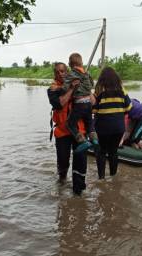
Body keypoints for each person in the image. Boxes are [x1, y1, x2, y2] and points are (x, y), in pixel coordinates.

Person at [47, 62, 87, 195]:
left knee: (80, 160)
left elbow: (92, 102)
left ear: (67, 72)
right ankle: (62, 182)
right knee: (63, 161)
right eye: (57, 72)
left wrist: (83, 82)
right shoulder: (53, 89)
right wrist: (70, 89)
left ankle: (78, 189)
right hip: (63, 131)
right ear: (54, 74)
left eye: (63, 71)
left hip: (79, 131)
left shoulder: (78, 83)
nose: (60, 74)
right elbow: (60, 103)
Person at [93, 67, 132, 179]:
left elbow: (94, 109)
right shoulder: (121, 89)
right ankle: (113, 177)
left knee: (101, 152)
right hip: (118, 127)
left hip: (103, 127)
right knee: (113, 152)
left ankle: (101, 178)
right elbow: (129, 108)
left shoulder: (100, 89)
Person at [63, 53, 98, 153]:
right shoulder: (87, 73)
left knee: (70, 124)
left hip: (80, 103)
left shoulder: (72, 73)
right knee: (90, 125)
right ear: (81, 62)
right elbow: (92, 84)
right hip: (88, 104)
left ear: (71, 64)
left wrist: (67, 87)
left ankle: (82, 141)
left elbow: (65, 87)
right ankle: (95, 141)